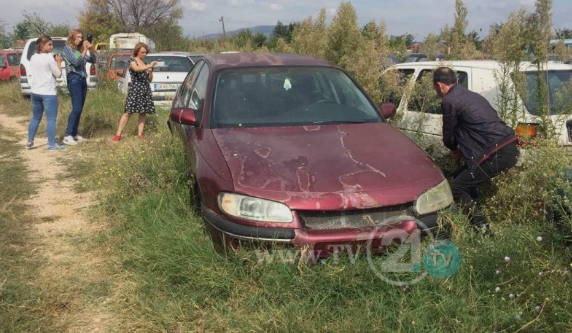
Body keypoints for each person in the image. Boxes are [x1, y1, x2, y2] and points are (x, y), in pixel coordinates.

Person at [433, 67, 519, 232]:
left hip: (495, 153)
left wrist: (454, 148)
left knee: (456, 187)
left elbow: (448, 136)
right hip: (508, 146)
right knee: (460, 177)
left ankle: (483, 230)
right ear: (456, 81)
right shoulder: (472, 95)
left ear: (439, 85)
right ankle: (475, 217)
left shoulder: (449, 101)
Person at [27, 35, 65, 151]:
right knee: (51, 119)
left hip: (35, 92)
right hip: (48, 93)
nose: (52, 46)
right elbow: (58, 74)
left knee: (35, 118)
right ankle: (52, 144)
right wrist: (58, 62)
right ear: (42, 45)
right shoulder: (49, 58)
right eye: (49, 44)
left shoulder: (33, 57)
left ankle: (29, 141)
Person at [113, 42, 157, 141]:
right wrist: (148, 66)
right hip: (136, 90)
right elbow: (136, 69)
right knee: (128, 112)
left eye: (146, 52)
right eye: (142, 52)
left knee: (143, 112)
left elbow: (149, 79)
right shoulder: (132, 60)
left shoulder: (145, 64)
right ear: (137, 51)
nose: (144, 54)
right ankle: (118, 134)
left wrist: (150, 71)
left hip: (145, 89)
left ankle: (140, 134)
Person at [62, 29, 96, 146]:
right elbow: (76, 63)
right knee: (76, 108)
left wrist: (90, 49)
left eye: (81, 37)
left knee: (80, 108)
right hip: (74, 79)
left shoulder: (77, 51)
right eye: (78, 37)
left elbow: (91, 60)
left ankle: (74, 134)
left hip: (82, 79)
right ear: (72, 37)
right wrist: (84, 50)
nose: (80, 39)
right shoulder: (68, 49)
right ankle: (67, 135)